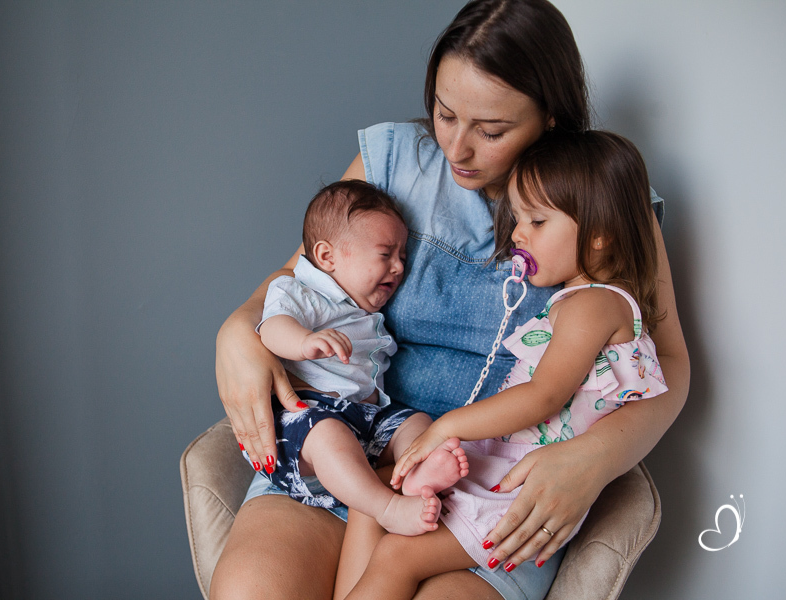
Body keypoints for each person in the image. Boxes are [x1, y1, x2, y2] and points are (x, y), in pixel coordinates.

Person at [211, 1, 689, 599]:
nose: (456, 150)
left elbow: (666, 363)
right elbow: (298, 281)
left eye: (491, 132)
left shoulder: (603, 200)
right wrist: (236, 331)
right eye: (444, 114)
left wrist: (591, 462)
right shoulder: (391, 160)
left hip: (495, 488)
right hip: (358, 448)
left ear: (552, 119)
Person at [342, 130, 669, 599]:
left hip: (520, 488)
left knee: (397, 555)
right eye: (519, 218)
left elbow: (544, 397)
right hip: (502, 464)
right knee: (373, 497)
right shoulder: (578, 300)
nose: (517, 234)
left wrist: (445, 427)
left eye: (536, 221)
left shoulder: (592, 306)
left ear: (599, 237)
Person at [251, 179, 469, 536]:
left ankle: (418, 472)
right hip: (305, 423)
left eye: (402, 257)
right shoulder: (300, 291)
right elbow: (272, 327)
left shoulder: (366, 313)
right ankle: (387, 507)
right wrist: (305, 341)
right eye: (386, 254)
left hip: (366, 421)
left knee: (416, 424)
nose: (399, 267)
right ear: (327, 257)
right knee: (328, 436)